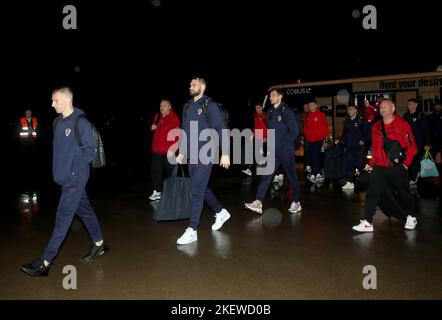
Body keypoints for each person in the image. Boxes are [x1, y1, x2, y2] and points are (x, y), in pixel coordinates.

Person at [21, 87, 109, 277]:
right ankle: (100, 243)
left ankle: (45, 261)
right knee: (84, 210)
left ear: (67, 100)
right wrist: (59, 171)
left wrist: (72, 171)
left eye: (55, 100)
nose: (52, 104)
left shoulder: (81, 122)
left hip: (75, 179)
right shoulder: (56, 122)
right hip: (63, 178)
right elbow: (61, 151)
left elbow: (90, 152)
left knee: (62, 219)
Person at [175, 76, 231, 245]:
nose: (190, 86)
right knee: (200, 187)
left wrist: (225, 153)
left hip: (206, 153)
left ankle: (192, 229)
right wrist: (182, 152)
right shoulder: (187, 106)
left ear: (202, 87)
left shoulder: (209, 105)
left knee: (197, 190)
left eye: (194, 84)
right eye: (190, 84)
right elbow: (185, 132)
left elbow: (221, 129)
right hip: (191, 155)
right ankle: (221, 212)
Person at [353, 99, 418, 233]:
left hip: (396, 167)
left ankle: (411, 216)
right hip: (379, 167)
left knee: (404, 192)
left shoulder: (402, 124)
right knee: (372, 192)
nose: (382, 108)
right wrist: (371, 164)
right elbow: (375, 148)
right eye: (381, 106)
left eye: (385, 106)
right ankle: (368, 221)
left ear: (393, 109)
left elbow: (412, 147)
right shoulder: (376, 126)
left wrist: (405, 164)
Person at [244, 88, 302, 215]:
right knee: (266, 176)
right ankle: (258, 202)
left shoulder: (286, 111)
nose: (270, 97)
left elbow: (294, 131)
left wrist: (285, 145)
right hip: (274, 151)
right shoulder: (270, 112)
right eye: (270, 95)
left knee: (292, 177)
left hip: (286, 151)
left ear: (280, 96)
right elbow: (271, 131)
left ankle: (296, 202)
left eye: (273, 95)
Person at [148, 98, 181, 201]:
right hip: (156, 151)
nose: (162, 107)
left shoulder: (174, 118)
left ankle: (173, 193)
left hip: (169, 152)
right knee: (155, 172)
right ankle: (157, 192)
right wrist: (152, 128)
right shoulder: (157, 116)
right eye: (161, 105)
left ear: (170, 107)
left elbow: (178, 136)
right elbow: (153, 128)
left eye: (164, 105)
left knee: (171, 174)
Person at [336, 105, 371, 190]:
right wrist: (341, 140)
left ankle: (364, 181)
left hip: (359, 148)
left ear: (355, 110)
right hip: (349, 147)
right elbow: (344, 134)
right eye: (348, 110)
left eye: (351, 109)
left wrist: (363, 140)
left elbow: (369, 132)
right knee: (348, 165)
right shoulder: (346, 122)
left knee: (360, 165)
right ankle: (350, 182)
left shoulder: (361, 120)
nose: (349, 111)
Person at [403, 98, 432, 186]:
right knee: (409, 160)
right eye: (408, 104)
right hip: (408, 143)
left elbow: (426, 130)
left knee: (416, 160)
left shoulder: (420, 115)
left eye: (411, 104)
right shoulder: (406, 116)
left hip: (419, 142)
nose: (409, 106)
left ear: (416, 105)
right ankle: (412, 177)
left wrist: (428, 143)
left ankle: (414, 178)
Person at [304, 101, 328, 183]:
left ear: (315, 106)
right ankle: (317, 173)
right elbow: (306, 128)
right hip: (310, 140)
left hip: (318, 139)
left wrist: (325, 137)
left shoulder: (321, 114)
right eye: (309, 105)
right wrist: (306, 137)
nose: (310, 107)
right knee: (313, 155)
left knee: (315, 155)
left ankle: (315, 173)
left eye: (311, 105)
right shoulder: (308, 116)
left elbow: (325, 126)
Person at [242, 103, 268, 177]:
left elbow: (268, 127)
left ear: (262, 108)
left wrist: (266, 137)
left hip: (264, 137)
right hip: (257, 136)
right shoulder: (256, 116)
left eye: (258, 108)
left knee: (264, 154)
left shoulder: (265, 115)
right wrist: (252, 134)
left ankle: (270, 170)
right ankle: (249, 168)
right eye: (256, 108)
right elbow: (256, 127)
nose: (257, 109)